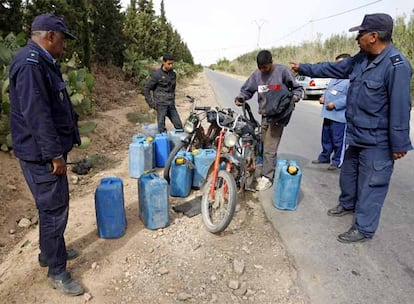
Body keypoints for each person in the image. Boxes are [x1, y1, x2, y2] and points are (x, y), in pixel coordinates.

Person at [291, 13, 412, 243]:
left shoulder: (397, 65)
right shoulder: (361, 59)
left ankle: (364, 228)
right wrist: (304, 68)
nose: (357, 38)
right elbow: (332, 69)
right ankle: (347, 204)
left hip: (378, 141)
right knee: (348, 175)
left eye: (361, 34)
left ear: (374, 37)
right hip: (357, 134)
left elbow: (400, 107)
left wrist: (399, 144)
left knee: (371, 184)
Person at [9, 14, 85, 295]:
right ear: (50, 36)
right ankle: (57, 269)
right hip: (42, 155)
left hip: (42, 151)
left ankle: (47, 253)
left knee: (49, 207)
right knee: (54, 210)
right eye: (63, 40)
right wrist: (55, 155)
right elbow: (37, 115)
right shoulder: (30, 65)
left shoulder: (41, 61)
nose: (64, 47)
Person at [235, 50, 303, 191]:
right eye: (260, 67)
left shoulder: (282, 72)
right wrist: (241, 97)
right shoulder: (257, 74)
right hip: (266, 115)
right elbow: (247, 90)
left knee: (270, 148)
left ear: (271, 62)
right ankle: (266, 167)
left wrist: (293, 99)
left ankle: (267, 178)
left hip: (279, 116)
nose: (262, 70)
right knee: (263, 144)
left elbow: (298, 89)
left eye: (265, 67)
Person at [311, 53, 351, 170]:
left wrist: (335, 104)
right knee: (326, 137)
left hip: (340, 116)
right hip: (328, 114)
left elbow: (350, 97)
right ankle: (324, 156)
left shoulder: (350, 79)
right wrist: (323, 97)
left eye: (340, 64)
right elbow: (329, 91)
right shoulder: (334, 78)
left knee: (338, 140)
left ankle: (338, 161)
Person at [144, 53, 183, 133]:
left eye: (172, 64)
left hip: (171, 104)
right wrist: (151, 103)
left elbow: (172, 89)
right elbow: (147, 88)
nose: (171, 66)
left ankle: (180, 144)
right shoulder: (157, 75)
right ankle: (163, 143)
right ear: (164, 62)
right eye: (169, 64)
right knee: (161, 129)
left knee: (179, 126)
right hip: (161, 105)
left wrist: (172, 100)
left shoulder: (173, 74)